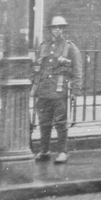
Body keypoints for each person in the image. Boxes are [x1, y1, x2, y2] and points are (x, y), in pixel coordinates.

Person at [31, 16, 83, 164]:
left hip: (60, 88)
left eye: (60, 27)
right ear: (50, 29)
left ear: (64, 29)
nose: (57, 30)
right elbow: (36, 68)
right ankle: (44, 150)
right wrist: (34, 86)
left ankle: (62, 152)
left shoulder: (70, 48)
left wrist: (75, 91)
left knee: (60, 121)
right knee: (44, 121)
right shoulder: (43, 47)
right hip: (44, 89)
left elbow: (77, 71)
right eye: (55, 27)